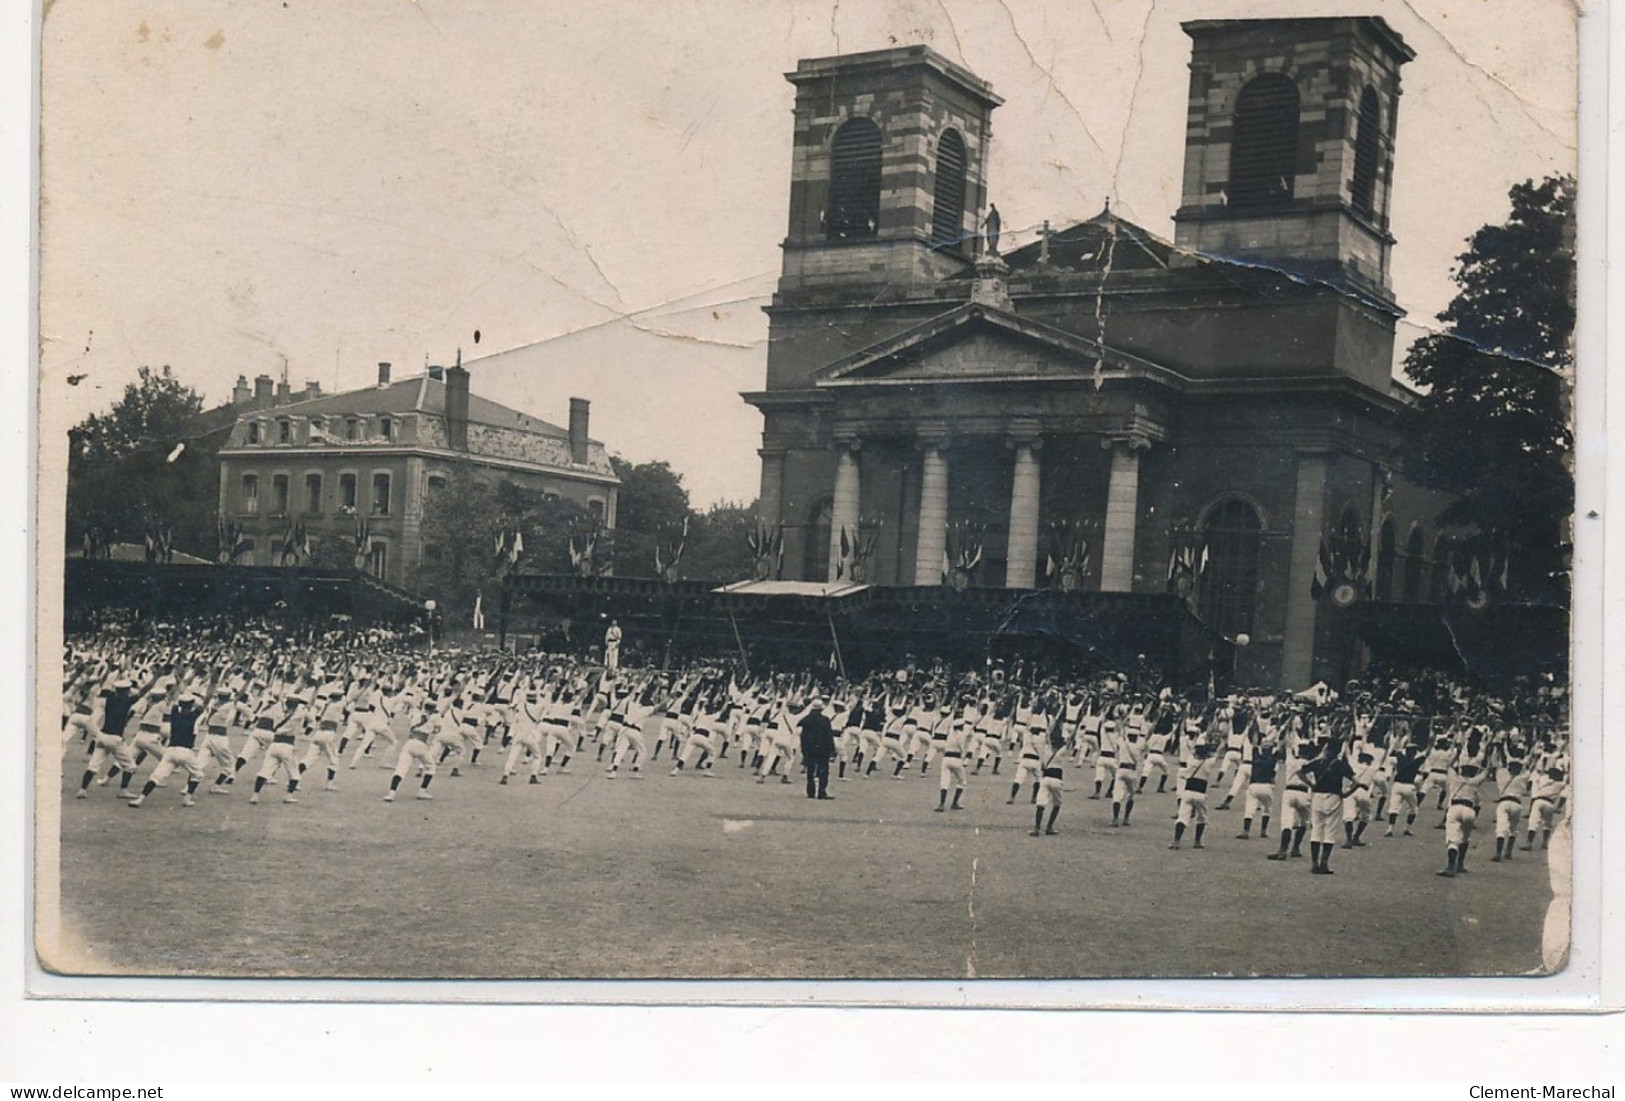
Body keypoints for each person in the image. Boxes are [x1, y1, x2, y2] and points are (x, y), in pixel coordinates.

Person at [1295, 737, 1357, 875]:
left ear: (1327, 749)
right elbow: (1356, 781)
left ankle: (1314, 863)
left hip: (1318, 796)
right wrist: (1346, 794)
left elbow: (1300, 772)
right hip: (1334, 796)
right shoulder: (1341, 764)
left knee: (1316, 830)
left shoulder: (1318, 762)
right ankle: (1324, 863)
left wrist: (1311, 785)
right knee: (1330, 831)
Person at [798, 697, 836, 800]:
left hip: (809, 748)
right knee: (823, 769)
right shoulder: (825, 720)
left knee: (810, 769)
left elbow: (802, 735)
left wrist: (803, 749)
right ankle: (821, 792)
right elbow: (828, 735)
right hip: (822, 748)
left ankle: (810, 791)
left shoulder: (806, 719)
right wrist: (832, 749)